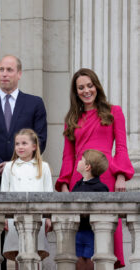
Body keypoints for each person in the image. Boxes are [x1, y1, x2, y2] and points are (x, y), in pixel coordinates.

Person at [55, 68, 135, 268]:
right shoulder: (71, 119)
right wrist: (64, 184)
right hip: (79, 179)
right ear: (76, 91)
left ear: (96, 87)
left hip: (105, 177)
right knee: (80, 243)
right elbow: (67, 156)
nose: (86, 90)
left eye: (89, 86)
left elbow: (122, 148)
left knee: (103, 238)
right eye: (81, 87)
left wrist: (121, 176)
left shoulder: (113, 111)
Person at [0, 55, 47, 189]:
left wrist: (16, 164)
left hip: (25, 176)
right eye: (1, 70)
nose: (4, 74)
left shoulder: (34, 103)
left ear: (19, 74)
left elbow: (40, 138)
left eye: (9, 70)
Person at [0, 128, 53, 267]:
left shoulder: (44, 167)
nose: (20, 147)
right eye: (17, 144)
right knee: (17, 254)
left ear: (34, 146)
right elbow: (4, 193)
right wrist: (4, 217)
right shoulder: (9, 167)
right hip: (14, 218)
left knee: (36, 253)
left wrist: (48, 217)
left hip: (38, 217)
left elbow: (49, 193)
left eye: (24, 143)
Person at [72, 149, 109, 270]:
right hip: (77, 231)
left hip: (91, 232)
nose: (78, 162)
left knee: (90, 259)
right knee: (76, 259)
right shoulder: (77, 185)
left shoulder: (101, 188)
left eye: (81, 160)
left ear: (87, 167)